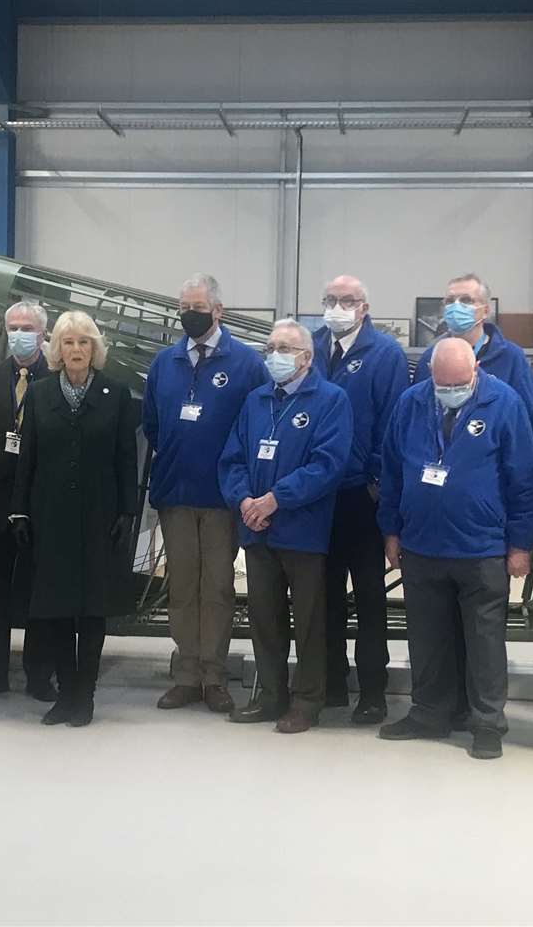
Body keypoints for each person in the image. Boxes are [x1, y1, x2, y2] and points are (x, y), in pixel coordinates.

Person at [376, 338, 533, 760]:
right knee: (427, 636)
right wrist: (391, 530)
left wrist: (520, 545)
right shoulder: (411, 403)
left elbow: (523, 479)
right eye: (441, 382)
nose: (449, 390)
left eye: (458, 383)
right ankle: (429, 711)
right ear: (430, 372)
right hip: (422, 542)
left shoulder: (504, 403)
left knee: (485, 641)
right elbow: (392, 470)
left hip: (481, 546)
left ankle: (486, 722)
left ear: (476, 370)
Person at [142, 273, 267, 715]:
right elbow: (153, 423)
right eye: (183, 308)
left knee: (216, 587)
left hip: (222, 497)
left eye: (197, 308)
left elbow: (257, 427)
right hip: (176, 492)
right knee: (182, 587)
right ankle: (187, 674)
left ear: (217, 311)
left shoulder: (247, 364)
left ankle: (214, 676)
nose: (188, 316)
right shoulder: (165, 362)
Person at [219, 319, 352, 733]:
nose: (275, 355)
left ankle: (308, 699)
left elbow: (328, 465)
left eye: (285, 348)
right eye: (271, 347)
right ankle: (271, 695)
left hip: (303, 530)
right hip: (257, 530)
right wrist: (244, 500)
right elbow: (233, 458)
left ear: (306, 358)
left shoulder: (331, 400)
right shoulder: (256, 400)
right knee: (264, 617)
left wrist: (276, 499)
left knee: (309, 621)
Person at [11, 310, 141, 727]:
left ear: (95, 349)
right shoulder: (40, 394)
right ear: (57, 349)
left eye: (84, 342)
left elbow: (126, 458)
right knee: (57, 609)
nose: (76, 350)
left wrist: (127, 511)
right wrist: (20, 510)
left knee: (91, 610)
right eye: (68, 342)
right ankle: (65, 693)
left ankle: (85, 695)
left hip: (99, 517)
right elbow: (26, 458)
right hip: (50, 517)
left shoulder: (116, 395)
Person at [312, 274, 410, 724]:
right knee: (322, 596)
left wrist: (375, 478)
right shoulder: (309, 348)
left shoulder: (385, 353)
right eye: (331, 300)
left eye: (346, 300)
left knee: (370, 599)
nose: (337, 307)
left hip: (362, 495)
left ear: (364, 307)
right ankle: (330, 684)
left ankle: (373, 692)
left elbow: (393, 421)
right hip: (318, 495)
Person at [0, 301, 57, 701]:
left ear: (43, 334)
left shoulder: (56, 380)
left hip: (40, 498)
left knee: (39, 586)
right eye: (13, 326)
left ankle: (39, 673)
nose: (20, 333)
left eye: (28, 327)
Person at [412, 273, 533, 463]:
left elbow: (529, 425)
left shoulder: (511, 358)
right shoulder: (430, 358)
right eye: (450, 301)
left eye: (466, 300)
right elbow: (415, 419)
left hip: (491, 475)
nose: (456, 306)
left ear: (485, 311)